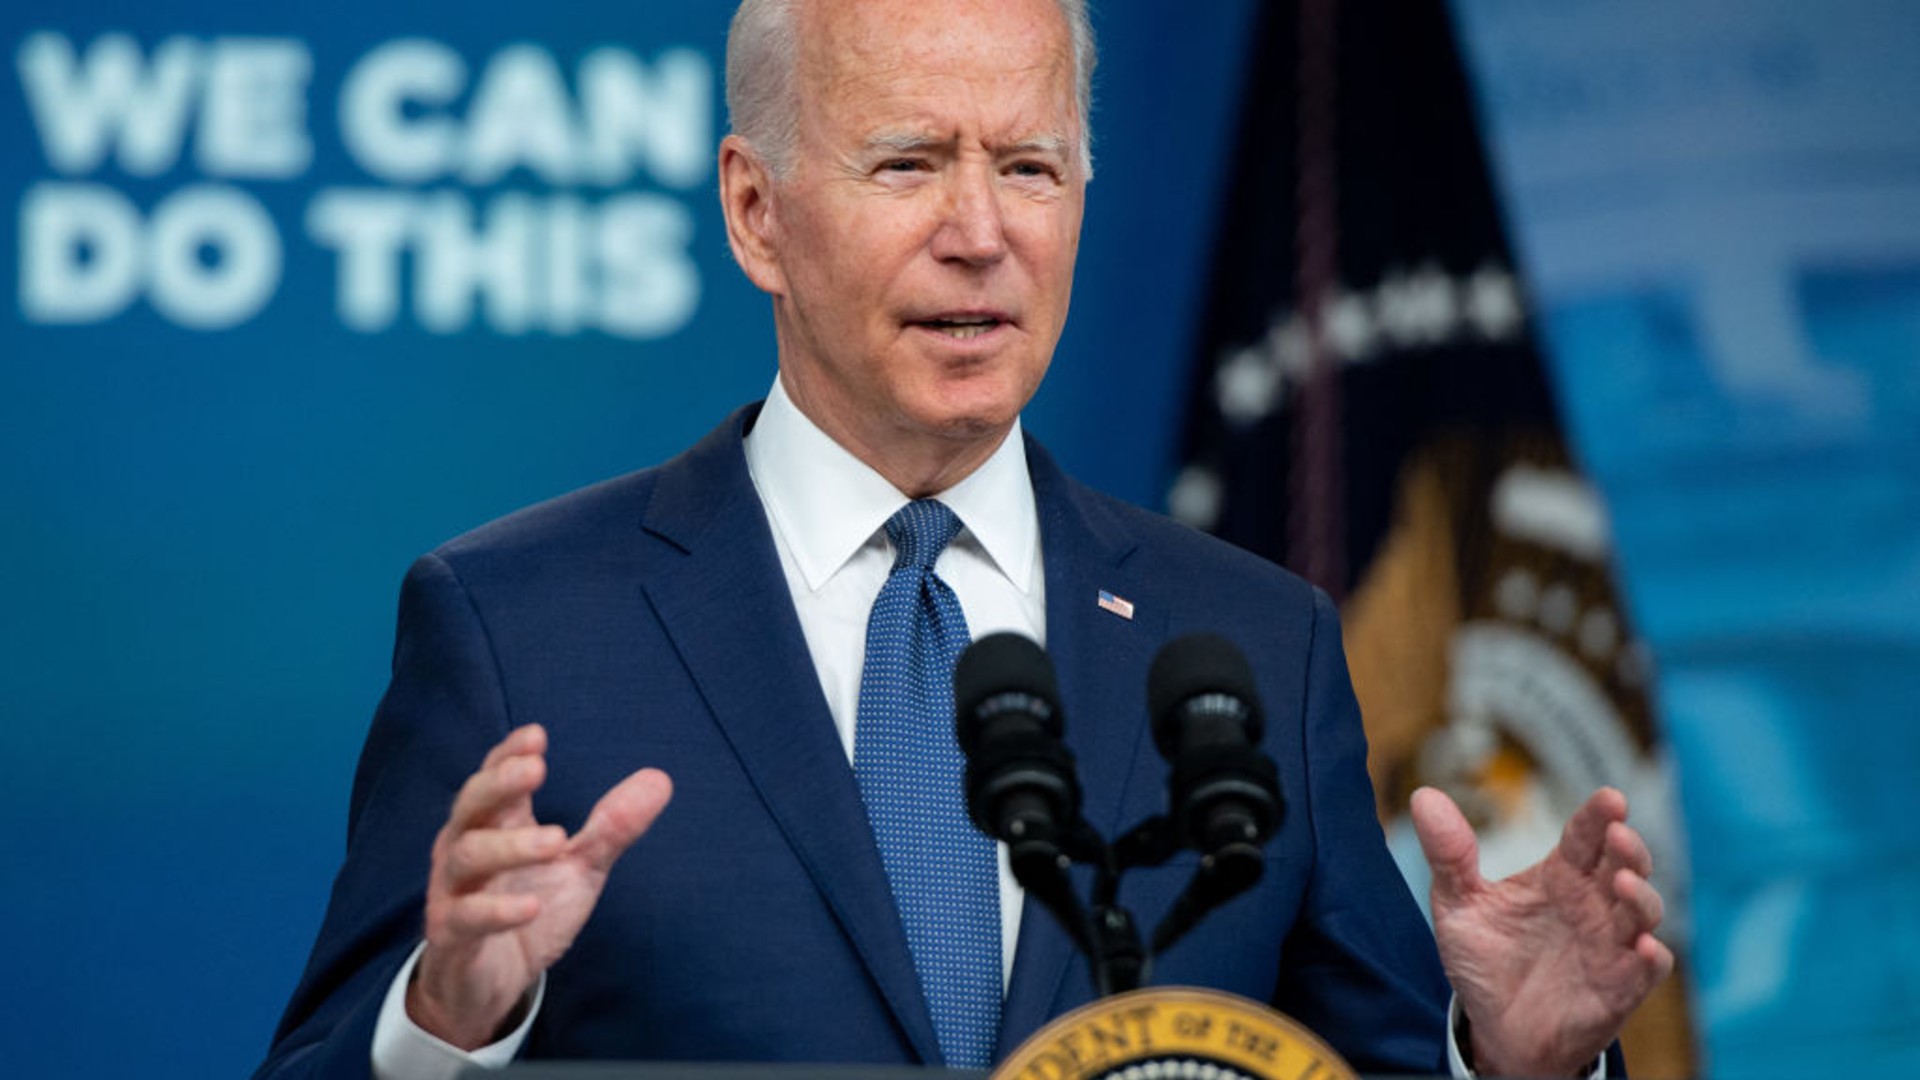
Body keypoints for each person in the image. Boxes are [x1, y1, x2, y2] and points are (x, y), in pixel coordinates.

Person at [256, 0, 1672, 1077]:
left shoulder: (1253, 642)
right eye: (909, 163)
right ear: (757, 214)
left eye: (1032, 167)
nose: (981, 232)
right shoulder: (519, 628)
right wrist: (450, 1019)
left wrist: (1514, 1060)